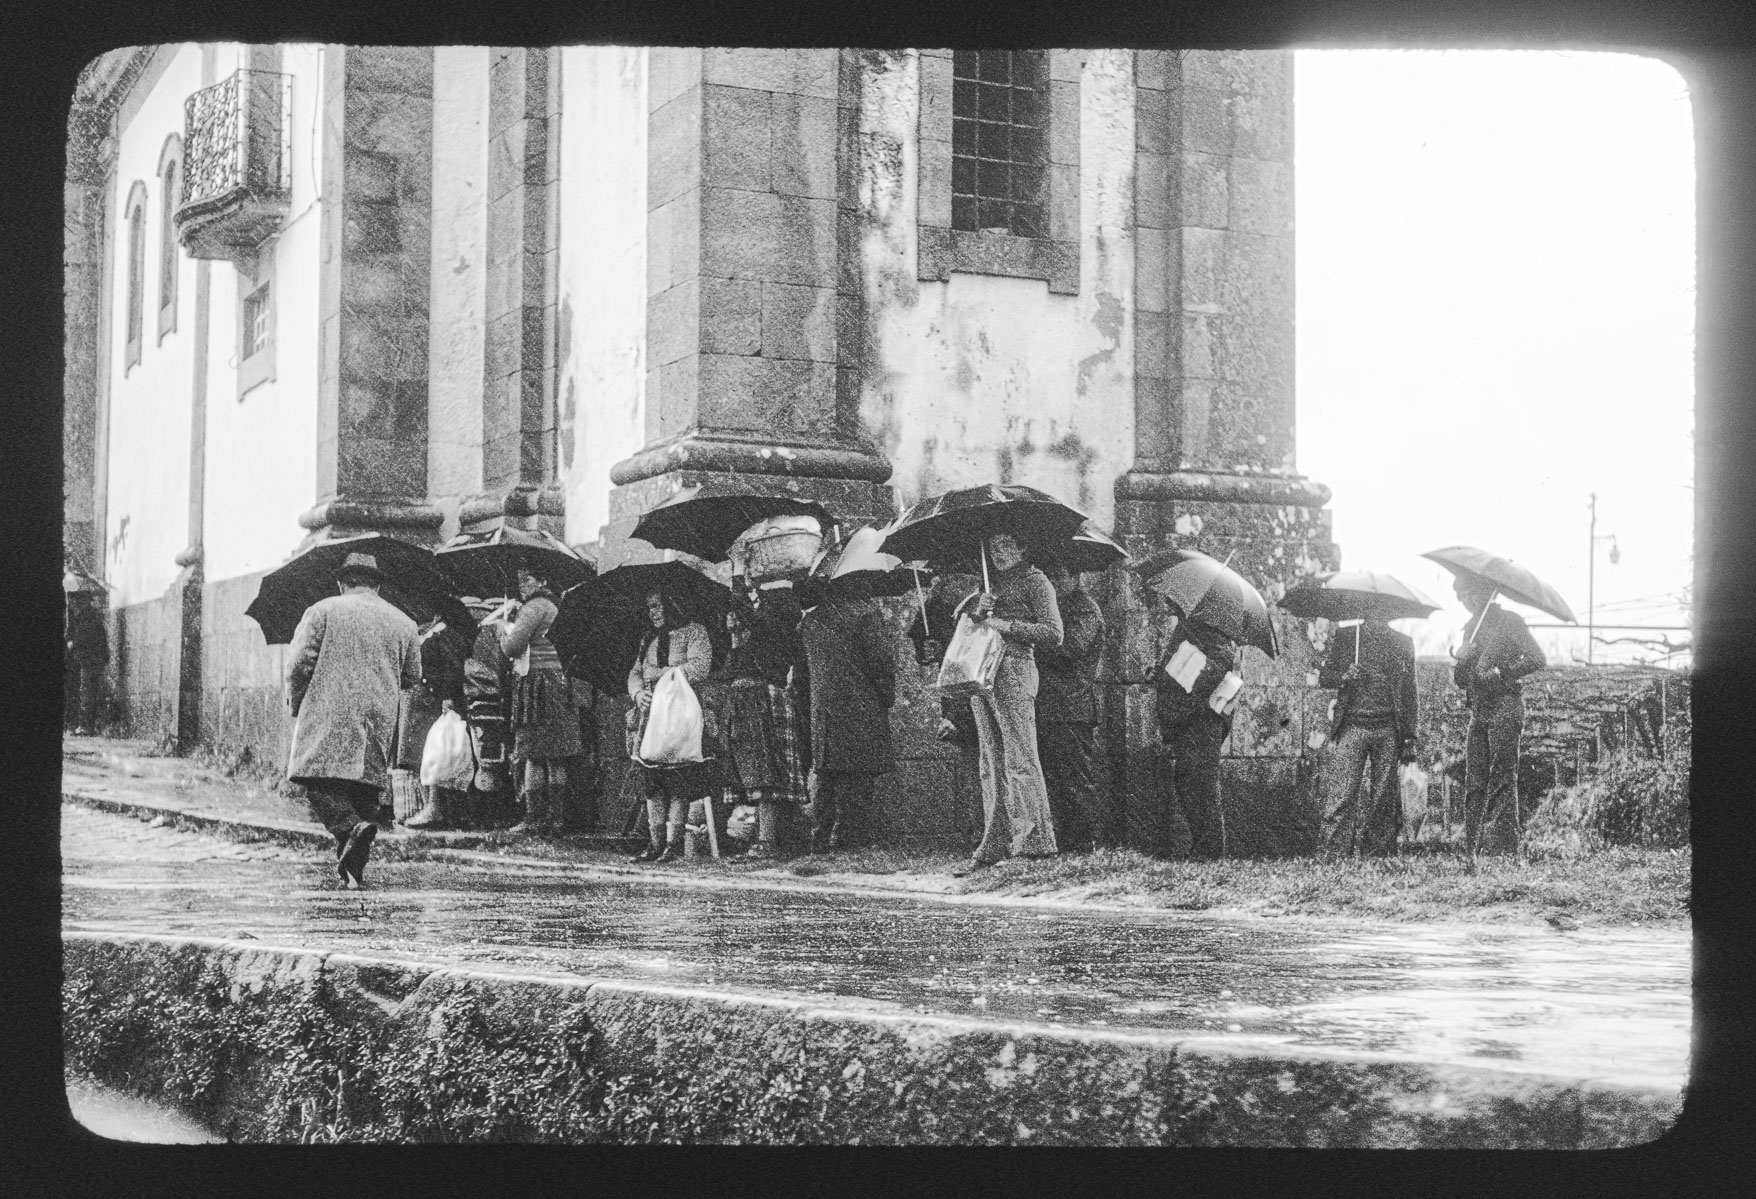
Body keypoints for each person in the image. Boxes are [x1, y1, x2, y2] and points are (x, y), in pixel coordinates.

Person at [285, 551, 420, 889]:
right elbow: (412, 676)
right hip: (378, 716)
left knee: (319, 781)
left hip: (329, 710)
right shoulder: (405, 623)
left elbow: (298, 664)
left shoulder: (322, 611)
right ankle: (352, 869)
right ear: (377, 585)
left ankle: (349, 830)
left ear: (341, 582)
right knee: (363, 791)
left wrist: (297, 703)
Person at [954, 532, 1063, 876]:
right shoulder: (988, 584)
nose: (998, 553)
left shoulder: (1036, 581)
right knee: (991, 761)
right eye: (992, 547)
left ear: (1022, 546)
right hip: (983, 669)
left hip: (1014, 668)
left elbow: (1054, 633)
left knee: (1020, 758)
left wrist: (1006, 625)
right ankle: (994, 843)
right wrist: (978, 611)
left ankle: (1034, 843)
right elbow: (973, 629)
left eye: (1005, 545)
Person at [799, 573, 897, 852]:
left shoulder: (811, 621)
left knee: (826, 773)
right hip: (861, 704)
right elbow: (881, 662)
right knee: (859, 774)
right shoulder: (865, 616)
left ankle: (820, 835)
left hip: (823, 708)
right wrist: (887, 695)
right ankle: (850, 837)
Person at [1452, 576, 1547, 854]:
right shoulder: (1470, 628)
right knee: (1474, 781)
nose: (1468, 601)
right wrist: (1461, 659)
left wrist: (1503, 672)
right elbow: (1461, 681)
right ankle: (1473, 849)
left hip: (1505, 705)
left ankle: (1501, 849)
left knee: (1502, 777)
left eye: (1472, 594)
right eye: (1462, 596)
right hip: (1479, 710)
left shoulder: (1510, 622)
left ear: (1487, 592)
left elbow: (1538, 658)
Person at [718, 577, 809, 858]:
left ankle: (767, 840)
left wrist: (739, 581)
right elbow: (735, 664)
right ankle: (765, 837)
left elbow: (755, 621)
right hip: (753, 697)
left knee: (765, 770)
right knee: (758, 771)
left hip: (762, 697)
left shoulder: (775, 618)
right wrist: (737, 635)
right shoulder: (768, 623)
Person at [1316, 614, 1418, 857]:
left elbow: (1410, 693)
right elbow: (1325, 676)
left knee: (1383, 798)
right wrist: (1344, 676)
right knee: (1342, 794)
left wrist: (1410, 736)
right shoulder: (1347, 637)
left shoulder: (1402, 643)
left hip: (1388, 728)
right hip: (1352, 726)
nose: (1378, 616)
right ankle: (1335, 854)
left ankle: (1378, 854)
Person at [626, 588, 714, 863]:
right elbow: (636, 672)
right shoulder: (648, 639)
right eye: (649, 607)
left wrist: (660, 675)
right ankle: (655, 843)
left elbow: (700, 667)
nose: (653, 613)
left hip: (679, 713)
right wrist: (637, 693)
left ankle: (672, 844)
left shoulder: (694, 632)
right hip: (651, 714)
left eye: (658, 606)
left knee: (678, 778)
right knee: (652, 779)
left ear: (673, 604)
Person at [496, 562, 583, 835]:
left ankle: (533, 818)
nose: (522, 586)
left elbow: (513, 648)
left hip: (537, 684)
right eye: (519, 580)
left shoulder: (533, 607)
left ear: (542, 580)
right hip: (558, 682)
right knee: (555, 756)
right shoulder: (555, 606)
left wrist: (503, 631)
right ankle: (556, 819)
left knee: (532, 754)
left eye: (527, 579)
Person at [1152, 598, 1237, 860]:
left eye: (1172, 600)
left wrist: (1183, 680)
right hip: (1188, 715)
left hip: (1203, 717)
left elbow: (1218, 663)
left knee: (1201, 783)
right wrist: (1162, 673)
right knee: (1187, 780)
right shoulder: (1188, 626)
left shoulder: (1211, 628)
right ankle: (1203, 846)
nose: (1168, 602)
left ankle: (1209, 850)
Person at [1033, 557, 1106, 853]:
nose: (1054, 582)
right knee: (1055, 777)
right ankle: (1064, 839)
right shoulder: (1056, 607)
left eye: (1060, 575)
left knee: (1075, 777)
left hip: (1071, 707)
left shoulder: (1083, 608)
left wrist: (1035, 638)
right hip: (1052, 705)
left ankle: (1083, 841)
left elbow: (1071, 649)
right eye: (1050, 576)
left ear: (1075, 577)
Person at [397, 616, 468, 829]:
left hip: (432, 702)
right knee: (422, 756)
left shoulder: (444, 635)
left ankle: (433, 808)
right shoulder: (429, 633)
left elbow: (451, 668)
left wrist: (447, 696)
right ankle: (426, 807)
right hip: (421, 700)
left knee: (433, 755)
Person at [460, 595, 516, 827]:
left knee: (485, 759)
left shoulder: (482, 635)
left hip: (480, 704)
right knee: (493, 760)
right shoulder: (495, 633)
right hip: (495, 704)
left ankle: (483, 815)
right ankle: (493, 815)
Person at [64, 588, 109, 735]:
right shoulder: (87, 615)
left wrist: (72, 643)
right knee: (89, 691)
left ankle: (85, 726)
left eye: (77, 601)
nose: (74, 603)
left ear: (83, 602)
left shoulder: (87, 616)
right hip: (92, 659)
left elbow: (84, 637)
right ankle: (87, 725)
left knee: (87, 692)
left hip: (90, 659)